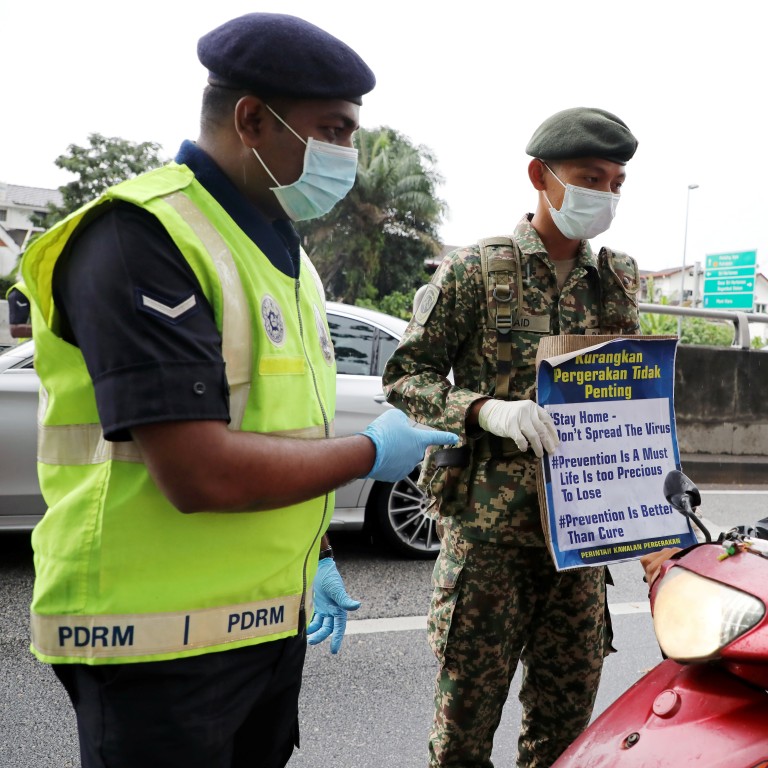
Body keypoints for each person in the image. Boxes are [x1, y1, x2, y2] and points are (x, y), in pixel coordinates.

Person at [21, 13, 456, 768]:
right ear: (252, 119)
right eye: (334, 130)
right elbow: (198, 471)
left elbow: (281, 424)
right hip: (147, 641)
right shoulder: (142, 237)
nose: (347, 155)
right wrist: (367, 452)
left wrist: (314, 550)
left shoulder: (284, 256)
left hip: (260, 626)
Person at [382, 107, 641, 768]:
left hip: (580, 546)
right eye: (591, 177)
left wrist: (656, 475)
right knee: (464, 735)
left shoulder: (614, 285)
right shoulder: (476, 271)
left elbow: (629, 396)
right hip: (489, 542)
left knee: (563, 736)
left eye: (616, 182)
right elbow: (405, 377)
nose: (605, 194)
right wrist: (482, 411)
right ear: (540, 175)